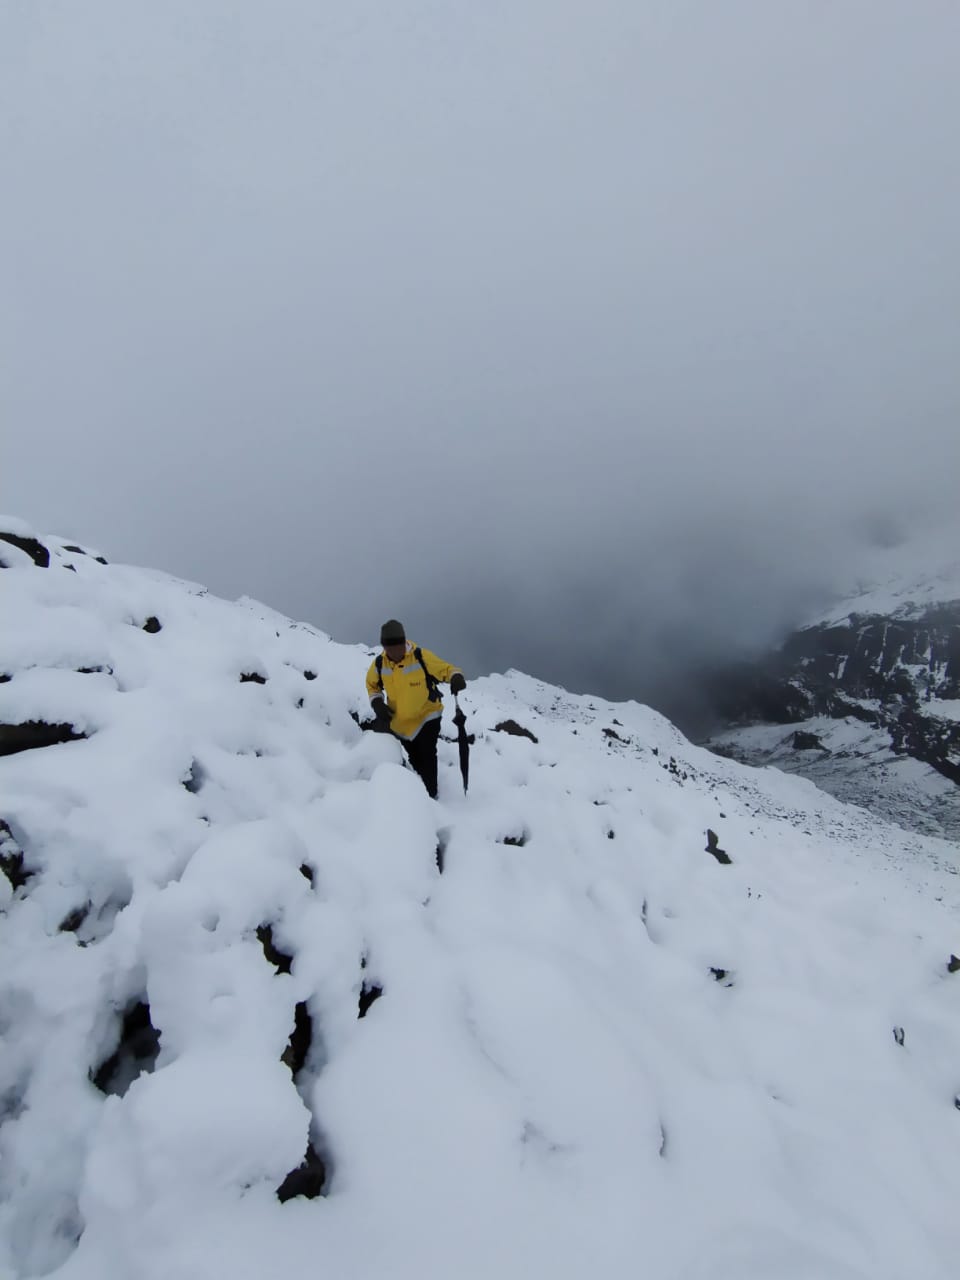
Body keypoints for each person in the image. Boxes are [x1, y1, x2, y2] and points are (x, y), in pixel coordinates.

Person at [365, 619, 466, 799]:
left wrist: (456, 677)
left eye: (399, 646)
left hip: (427, 716)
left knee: (428, 755)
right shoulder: (380, 664)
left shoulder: (420, 656)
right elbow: (372, 685)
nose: (396, 651)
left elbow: (446, 669)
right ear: (384, 647)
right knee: (415, 759)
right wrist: (377, 702)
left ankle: (432, 794)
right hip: (400, 723)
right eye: (391, 648)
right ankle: (419, 787)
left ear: (404, 641)